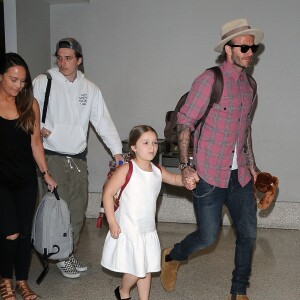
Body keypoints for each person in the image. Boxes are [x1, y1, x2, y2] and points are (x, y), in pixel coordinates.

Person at [160, 19, 264, 300]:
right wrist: (185, 167)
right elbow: (185, 124)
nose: (249, 52)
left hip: (239, 175)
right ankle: (173, 256)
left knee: (248, 234)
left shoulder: (249, 85)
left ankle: (239, 289)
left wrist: (252, 165)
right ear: (228, 49)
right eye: (244, 47)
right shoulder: (209, 79)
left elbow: (245, 129)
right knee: (207, 236)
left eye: (252, 46)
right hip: (208, 172)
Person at [32, 38, 123, 279]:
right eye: (59, 57)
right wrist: (39, 127)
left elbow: (103, 121)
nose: (62, 62)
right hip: (52, 156)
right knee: (57, 210)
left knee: (77, 209)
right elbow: (29, 111)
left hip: (78, 159)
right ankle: (60, 256)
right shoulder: (44, 81)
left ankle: (67, 253)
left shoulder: (89, 88)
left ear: (79, 60)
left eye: (68, 58)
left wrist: (117, 153)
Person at [101, 125, 198, 300]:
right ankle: (123, 290)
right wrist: (112, 221)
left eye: (154, 143)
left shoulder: (157, 171)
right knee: (137, 269)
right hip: (130, 228)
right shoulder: (127, 169)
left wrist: (187, 178)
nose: (151, 147)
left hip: (148, 229)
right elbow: (108, 193)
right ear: (133, 147)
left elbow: (175, 179)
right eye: (145, 143)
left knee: (146, 268)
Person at [0, 53, 57, 300]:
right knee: (10, 232)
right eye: (13, 79)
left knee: (24, 234)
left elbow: (35, 144)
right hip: (0, 180)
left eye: (23, 81)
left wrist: (45, 173)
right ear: (0, 76)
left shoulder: (29, 103)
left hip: (25, 179)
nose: (18, 85)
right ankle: (5, 281)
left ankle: (22, 282)